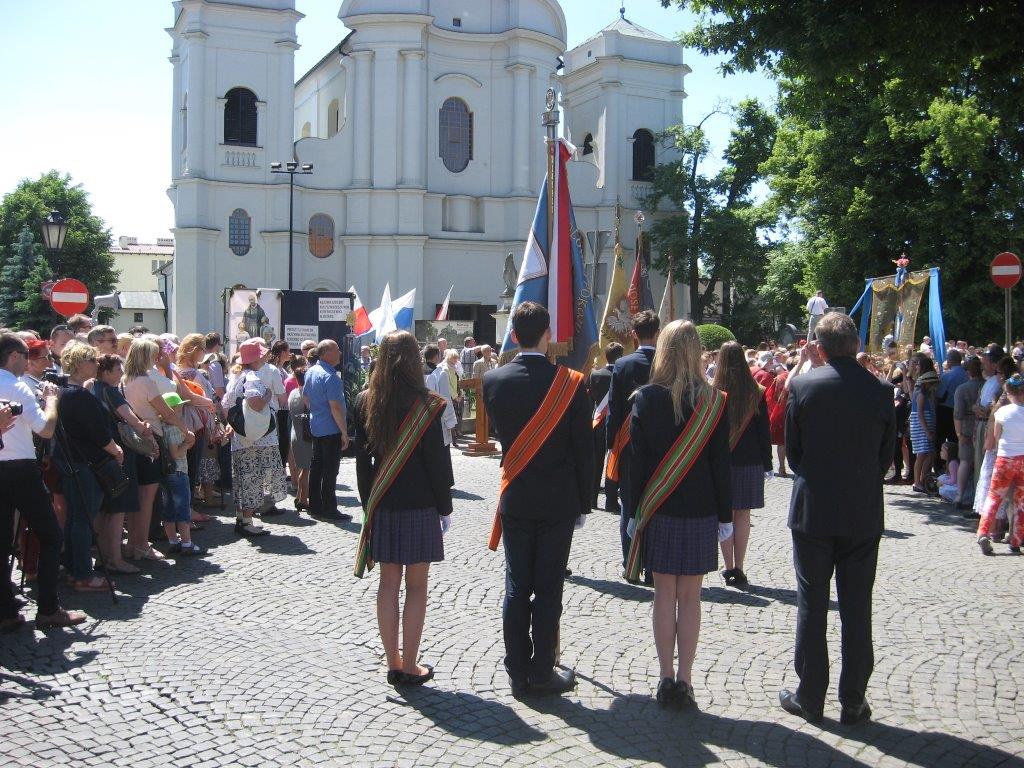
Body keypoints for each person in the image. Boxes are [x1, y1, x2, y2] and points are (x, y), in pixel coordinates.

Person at [779, 313, 895, 727]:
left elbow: (793, 454)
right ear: (856, 343)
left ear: (821, 347)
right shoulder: (881, 390)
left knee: (812, 603)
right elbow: (886, 458)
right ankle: (853, 698)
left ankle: (810, 696)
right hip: (862, 511)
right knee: (857, 606)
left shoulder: (805, 386)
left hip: (814, 510)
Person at [482, 301, 592, 697]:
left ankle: (516, 670)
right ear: (549, 335)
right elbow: (584, 449)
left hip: (517, 497)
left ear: (513, 335)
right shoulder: (573, 382)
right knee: (548, 588)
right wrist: (584, 502)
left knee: (516, 586)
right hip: (559, 501)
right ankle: (542, 670)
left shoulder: (492, 381)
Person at [626, 320, 732, 709]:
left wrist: (633, 511)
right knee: (691, 598)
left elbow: (635, 465)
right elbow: (721, 466)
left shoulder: (646, 399)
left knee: (662, 594)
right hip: (701, 510)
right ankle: (686, 680)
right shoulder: (715, 401)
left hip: (659, 507)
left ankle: (665, 677)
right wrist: (725, 517)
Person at [353, 331, 453, 686]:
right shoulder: (429, 403)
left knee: (387, 585)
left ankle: (393, 662)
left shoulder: (365, 400)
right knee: (417, 587)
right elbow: (438, 464)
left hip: (383, 504)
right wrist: (446, 507)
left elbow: (362, 467)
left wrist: (370, 507)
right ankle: (410, 664)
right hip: (421, 504)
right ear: (414, 360)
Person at [0, 334, 86, 630]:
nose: (27, 363)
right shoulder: (17, 386)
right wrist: (51, 400)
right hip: (20, 467)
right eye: (25, 357)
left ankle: (6, 612)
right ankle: (48, 608)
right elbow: (46, 429)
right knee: (50, 535)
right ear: (13, 356)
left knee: (1, 541)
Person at [54, 341, 124, 592]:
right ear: (79, 364)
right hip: (85, 463)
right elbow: (97, 433)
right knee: (83, 519)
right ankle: (83, 575)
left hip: (73, 461)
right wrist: (115, 450)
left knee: (76, 518)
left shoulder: (66, 393)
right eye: (92, 360)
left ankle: (75, 570)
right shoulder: (78, 396)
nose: (96, 365)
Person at [122, 339, 193, 560]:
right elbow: (168, 412)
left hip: (133, 439)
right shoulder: (146, 381)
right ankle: (142, 544)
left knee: (139, 496)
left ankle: (135, 543)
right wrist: (186, 430)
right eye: (153, 355)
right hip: (151, 437)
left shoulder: (125, 379)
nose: (156, 359)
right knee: (147, 497)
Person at [713, 341, 773, 587]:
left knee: (724, 515)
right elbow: (763, 432)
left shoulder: (713, 391)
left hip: (721, 461)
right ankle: (740, 566)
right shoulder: (756, 391)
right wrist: (768, 464)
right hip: (749, 461)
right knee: (743, 516)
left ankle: (728, 567)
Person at [608, 310, 660, 577]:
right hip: (663, 446)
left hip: (628, 445)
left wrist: (611, 444)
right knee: (656, 503)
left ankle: (630, 564)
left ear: (633, 334)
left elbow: (615, 409)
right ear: (658, 333)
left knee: (628, 503)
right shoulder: (667, 363)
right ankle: (653, 566)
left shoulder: (622, 364)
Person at [93, 353, 152, 575]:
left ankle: (102, 555)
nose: (121, 373)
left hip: (101, 452)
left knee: (104, 508)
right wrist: (145, 429)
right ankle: (115, 558)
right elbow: (132, 420)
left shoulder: (94, 388)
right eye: (118, 370)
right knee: (118, 507)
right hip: (118, 451)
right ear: (107, 372)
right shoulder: (110, 391)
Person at [224, 338, 288, 536]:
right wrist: (268, 396)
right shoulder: (251, 377)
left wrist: (236, 424)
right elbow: (256, 403)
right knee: (254, 476)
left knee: (243, 477)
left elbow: (225, 406)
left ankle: (242, 518)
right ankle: (248, 521)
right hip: (258, 436)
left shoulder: (236, 376)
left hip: (241, 435)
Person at [977, 372, 1024, 555]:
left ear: (1008, 392)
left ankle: (983, 533)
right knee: (1020, 502)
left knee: (994, 497)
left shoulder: (1002, 412)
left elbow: (996, 438)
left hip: (1005, 459)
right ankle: (1016, 540)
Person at [304, 339, 351, 521]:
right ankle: (330, 508)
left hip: (317, 426)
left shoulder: (311, 372)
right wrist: (344, 432)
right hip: (330, 429)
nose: (340, 353)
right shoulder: (330, 376)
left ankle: (315, 506)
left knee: (317, 468)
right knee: (330, 471)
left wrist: (317, 412)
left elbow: (306, 398)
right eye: (337, 349)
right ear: (327, 353)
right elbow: (336, 407)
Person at [159, 392, 203, 555]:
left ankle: (173, 541)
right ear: (173, 410)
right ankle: (186, 543)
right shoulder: (174, 429)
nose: (182, 410)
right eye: (180, 407)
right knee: (183, 508)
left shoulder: (162, 427)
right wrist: (187, 443)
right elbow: (176, 453)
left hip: (166, 473)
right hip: (178, 471)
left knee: (168, 508)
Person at [589, 342, 624, 512]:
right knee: (613, 462)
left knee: (595, 463)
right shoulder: (623, 374)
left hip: (597, 423)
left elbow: (591, 401)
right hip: (616, 424)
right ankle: (611, 499)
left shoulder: (595, 374)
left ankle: (592, 499)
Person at [953, 356, 984, 507]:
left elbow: (957, 414)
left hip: (966, 426)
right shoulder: (986, 385)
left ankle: (959, 495)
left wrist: (959, 434)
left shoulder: (962, 389)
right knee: (980, 462)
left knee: (964, 462)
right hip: (983, 426)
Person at [909, 363, 939, 494]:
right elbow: (920, 414)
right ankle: (917, 481)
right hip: (921, 427)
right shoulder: (921, 395)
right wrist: (927, 430)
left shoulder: (927, 395)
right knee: (921, 454)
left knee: (929, 453)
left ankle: (923, 479)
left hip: (926, 425)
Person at [287, 367, 312, 510]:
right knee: (306, 468)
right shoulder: (307, 395)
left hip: (295, 432)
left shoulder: (293, 393)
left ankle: (299, 496)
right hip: (305, 433)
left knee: (301, 466)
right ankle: (303, 499)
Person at [936, 349, 966, 454]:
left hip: (945, 411)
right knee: (956, 440)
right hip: (963, 411)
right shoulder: (967, 375)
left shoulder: (947, 376)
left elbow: (939, 395)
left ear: (949, 361)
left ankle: (941, 465)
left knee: (941, 440)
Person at [766, 353, 791, 477]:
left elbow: (770, 397)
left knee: (781, 442)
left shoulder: (780, 378)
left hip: (780, 411)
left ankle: (781, 467)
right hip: (793, 412)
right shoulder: (800, 377)